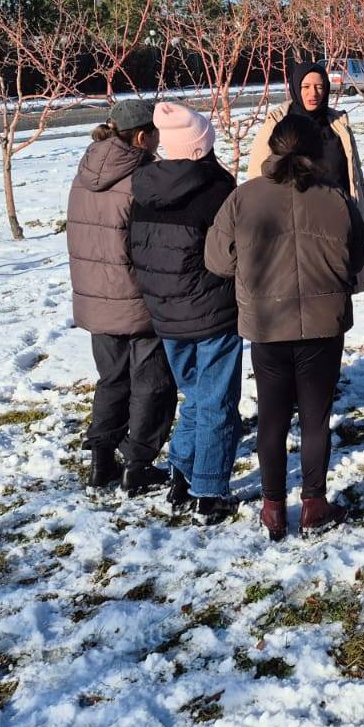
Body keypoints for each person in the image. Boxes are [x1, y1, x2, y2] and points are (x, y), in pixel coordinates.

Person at [207, 116, 364, 540]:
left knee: (272, 418)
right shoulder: (335, 199)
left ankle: (273, 507)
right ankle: (314, 504)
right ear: (316, 151)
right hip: (323, 323)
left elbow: (217, 261)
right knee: (316, 418)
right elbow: (358, 253)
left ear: (272, 149)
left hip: (267, 324)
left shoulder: (243, 199)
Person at [128, 102, 243, 524]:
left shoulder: (143, 191)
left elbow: (135, 251)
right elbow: (231, 253)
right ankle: (209, 491)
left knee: (194, 395)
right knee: (217, 401)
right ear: (201, 147)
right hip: (213, 313)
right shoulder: (218, 190)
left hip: (166, 314)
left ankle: (180, 471)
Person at [66, 99, 177, 495]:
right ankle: (138, 464)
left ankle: (101, 460)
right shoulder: (143, 176)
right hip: (137, 299)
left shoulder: (84, 172)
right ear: (144, 136)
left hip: (94, 297)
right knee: (152, 383)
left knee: (111, 379)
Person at [249, 59, 364, 232]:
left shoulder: (338, 126)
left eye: (319, 87)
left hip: (337, 220)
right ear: (296, 88)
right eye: (306, 87)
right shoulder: (276, 125)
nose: (313, 93)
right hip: (292, 227)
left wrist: (362, 221)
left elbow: (355, 176)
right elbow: (256, 179)